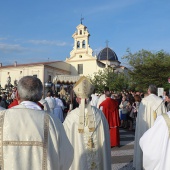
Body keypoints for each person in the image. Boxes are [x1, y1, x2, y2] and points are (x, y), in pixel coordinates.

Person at [0, 76, 73, 170]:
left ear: (17, 94)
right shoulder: (52, 121)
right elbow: (66, 157)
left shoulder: (2, 118)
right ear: (41, 96)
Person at [63, 76, 111, 170]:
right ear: (90, 98)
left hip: (79, 161)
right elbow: (106, 136)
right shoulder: (99, 114)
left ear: (77, 99)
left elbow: (64, 140)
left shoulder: (71, 117)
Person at [133, 84, 167, 170]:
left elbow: (140, 118)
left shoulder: (144, 101)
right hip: (158, 131)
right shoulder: (160, 101)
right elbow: (165, 117)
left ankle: (142, 165)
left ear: (148, 91)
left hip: (145, 129)